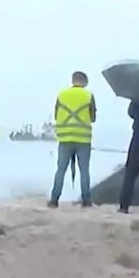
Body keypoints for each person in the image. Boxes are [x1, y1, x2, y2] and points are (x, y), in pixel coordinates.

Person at [48, 71, 97, 208]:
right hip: (83, 140)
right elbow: (93, 118)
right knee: (84, 171)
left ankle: (54, 200)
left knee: (60, 170)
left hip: (65, 138)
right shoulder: (88, 96)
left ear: (73, 80)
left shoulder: (62, 95)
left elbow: (57, 116)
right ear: (84, 82)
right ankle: (86, 200)